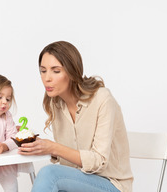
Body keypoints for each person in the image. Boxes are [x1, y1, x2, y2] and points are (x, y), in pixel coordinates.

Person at [18, 41, 133, 192]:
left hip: (112, 185)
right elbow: (70, 158)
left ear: (72, 72)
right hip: (77, 183)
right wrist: (41, 145)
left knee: (50, 174)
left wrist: (53, 147)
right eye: (43, 70)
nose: (47, 78)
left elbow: (99, 161)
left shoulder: (102, 99)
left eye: (56, 71)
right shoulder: (56, 103)